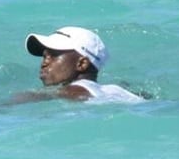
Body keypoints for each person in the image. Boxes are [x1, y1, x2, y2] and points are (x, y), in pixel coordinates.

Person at [15, 26, 146, 104]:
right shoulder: (116, 89)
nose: (45, 62)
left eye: (53, 55)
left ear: (82, 63)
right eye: (44, 56)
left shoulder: (72, 91)